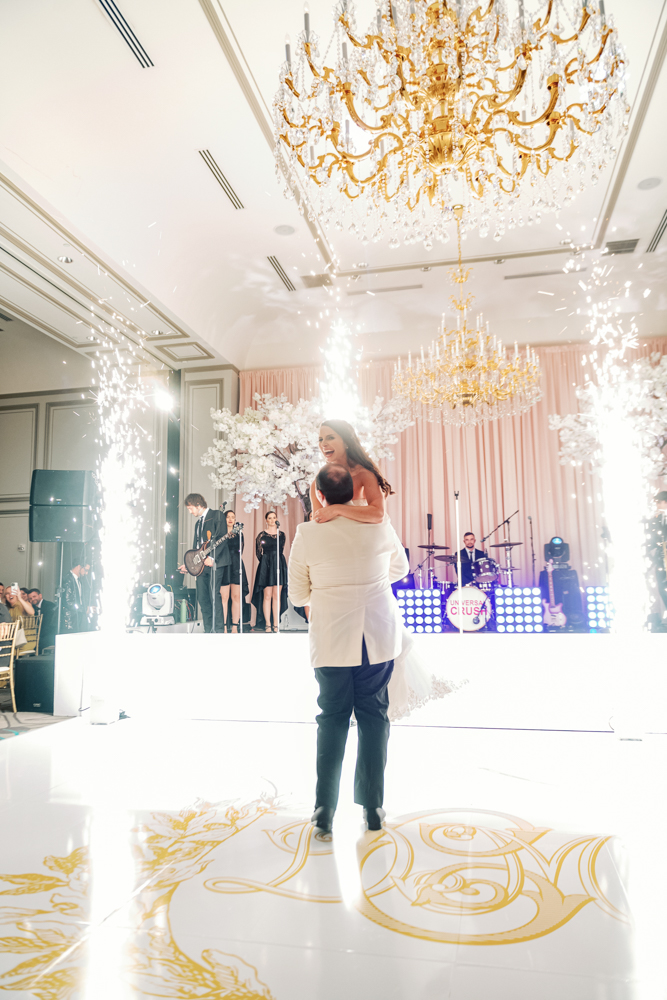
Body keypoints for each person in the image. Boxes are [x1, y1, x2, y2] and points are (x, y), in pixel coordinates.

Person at [289, 464, 410, 835]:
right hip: (377, 634)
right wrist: (370, 583)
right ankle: (373, 807)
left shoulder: (307, 533)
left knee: (332, 717)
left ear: (321, 497)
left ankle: (324, 808)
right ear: (355, 492)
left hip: (331, 637)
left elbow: (296, 594)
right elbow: (400, 569)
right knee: (374, 716)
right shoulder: (379, 526)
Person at [310, 420, 392, 525]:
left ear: (346, 442)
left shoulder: (364, 475)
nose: (323, 444)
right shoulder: (318, 482)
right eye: (320, 439)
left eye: (330, 437)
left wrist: (337, 509)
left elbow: (378, 514)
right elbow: (317, 522)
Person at [178, 493, 226, 633]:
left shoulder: (217, 515)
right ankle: (208, 630)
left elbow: (223, 537)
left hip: (215, 563)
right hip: (200, 567)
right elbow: (196, 548)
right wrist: (189, 566)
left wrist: (213, 558)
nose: (190, 511)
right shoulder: (198, 523)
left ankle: (217, 631)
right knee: (203, 597)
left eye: (190, 508)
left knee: (213, 595)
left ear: (198, 505)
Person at [252, 512, 288, 632]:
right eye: (269, 518)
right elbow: (258, 553)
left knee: (276, 596)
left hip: (278, 564)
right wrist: (265, 562)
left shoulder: (281, 534)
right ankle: (267, 624)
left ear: (276, 519)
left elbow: (281, 548)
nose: (272, 520)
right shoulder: (261, 535)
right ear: (266, 520)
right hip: (266, 565)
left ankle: (276, 624)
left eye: (274, 518)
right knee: (267, 596)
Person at [218, 510, 249, 633]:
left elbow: (240, 549)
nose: (231, 519)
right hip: (224, 565)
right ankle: (224, 626)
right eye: (228, 517)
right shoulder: (220, 533)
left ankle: (235, 627)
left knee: (236, 597)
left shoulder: (239, 533)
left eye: (233, 517)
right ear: (224, 519)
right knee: (224, 597)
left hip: (236, 565)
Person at [62, 563, 90, 632]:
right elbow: (68, 601)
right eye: (85, 570)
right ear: (79, 567)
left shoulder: (78, 580)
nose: (86, 573)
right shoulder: (68, 579)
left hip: (75, 617)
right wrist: (83, 609)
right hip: (69, 619)